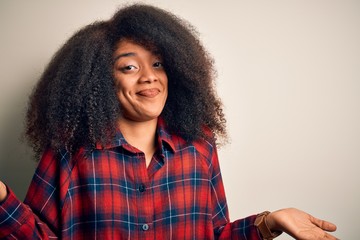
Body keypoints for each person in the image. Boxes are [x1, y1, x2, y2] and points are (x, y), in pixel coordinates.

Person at [0, 4, 337, 240]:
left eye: (158, 64)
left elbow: (214, 235)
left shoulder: (199, 146)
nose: (149, 77)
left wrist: (270, 222)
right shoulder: (71, 149)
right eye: (129, 67)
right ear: (100, 80)